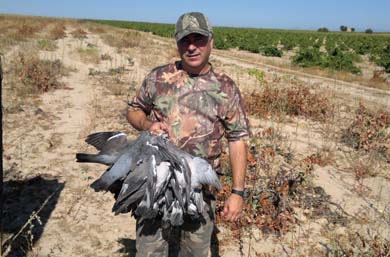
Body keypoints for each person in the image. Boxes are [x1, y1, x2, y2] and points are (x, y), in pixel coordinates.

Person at [127, 11, 250, 257]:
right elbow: (134, 110)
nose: (192, 46)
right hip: (156, 184)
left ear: (211, 41)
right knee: (149, 251)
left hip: (200, 190)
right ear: (177, 42)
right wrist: (146, 124)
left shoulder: (225, 87)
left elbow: (238, 139)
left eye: (199, 39)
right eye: (185, 40)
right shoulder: (159, 77)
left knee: (194, 252)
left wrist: (237, 193)